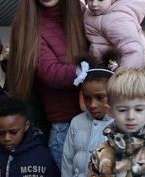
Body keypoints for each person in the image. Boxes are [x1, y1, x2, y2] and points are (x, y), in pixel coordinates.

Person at [8, 0, 88, 167]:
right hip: (63, 125)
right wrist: (90, 69)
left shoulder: (82, 11)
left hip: (97, 116)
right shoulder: (26, 21)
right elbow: (51, 73)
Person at [83, 0, 145, 68]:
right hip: (102, 64)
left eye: (100, 0)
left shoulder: (117, 19)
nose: (94, 4)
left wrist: (123, 76)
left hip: (115, 69)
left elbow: (132, 51)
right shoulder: (91, 13)